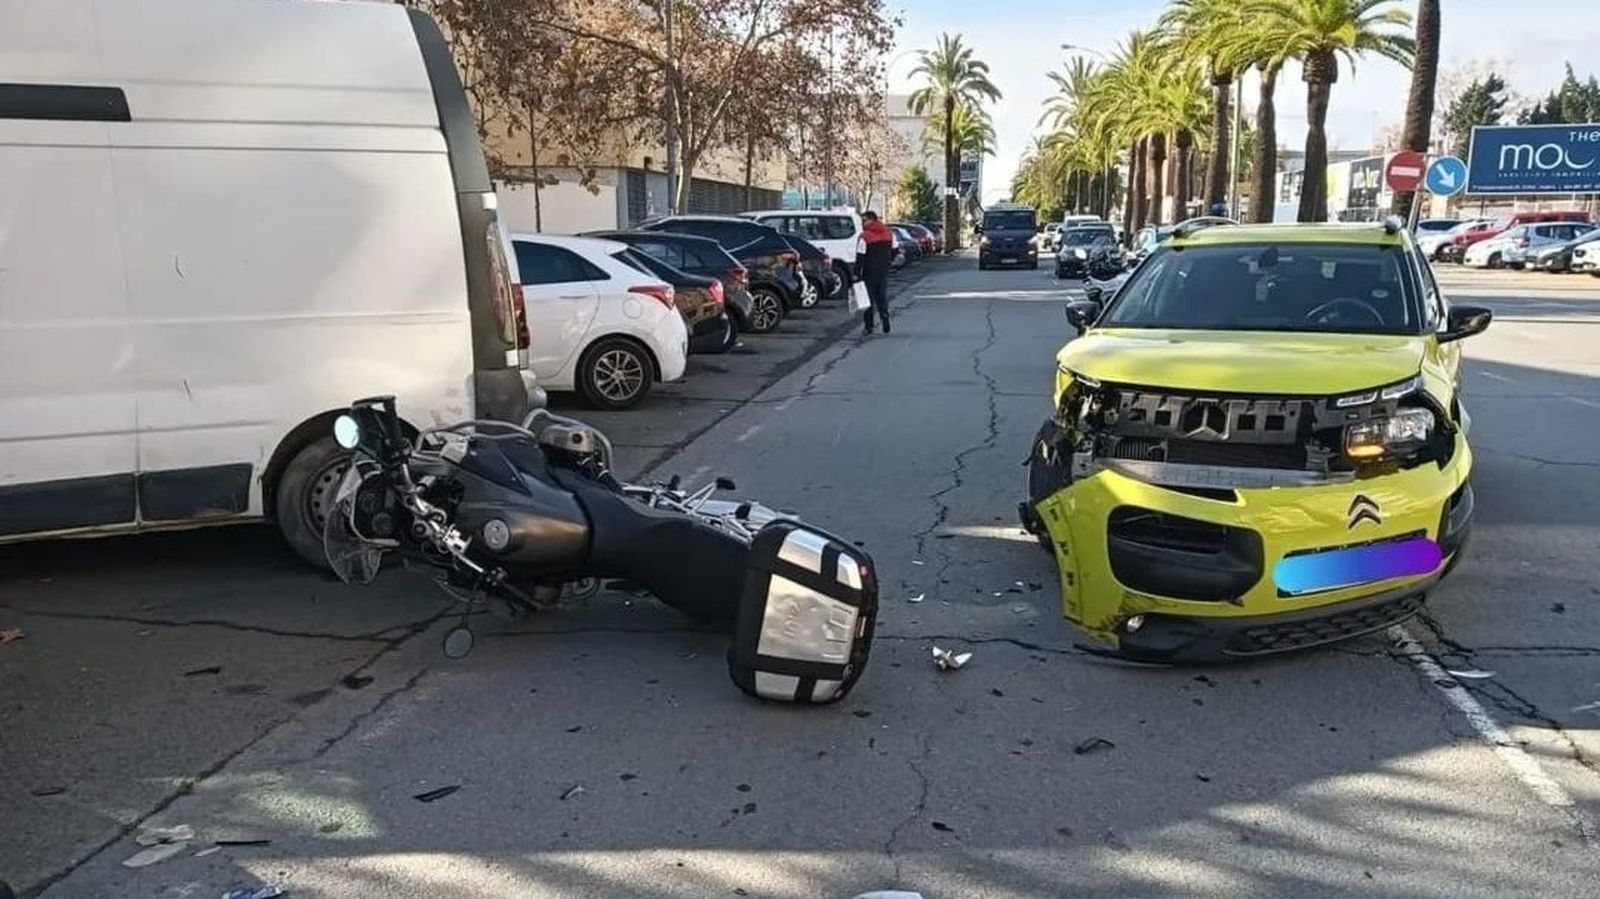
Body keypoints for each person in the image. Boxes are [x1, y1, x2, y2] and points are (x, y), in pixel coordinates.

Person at [858, 211, 893, 334]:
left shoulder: (864, 237)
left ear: (871, 220)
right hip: (883, 271)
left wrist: (856, 272)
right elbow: (892, 251)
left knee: (868, 300)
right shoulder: (888, 234)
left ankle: (869, 326)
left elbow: (860, 256)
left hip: (869, 271)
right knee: (881, 297)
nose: (862, 223)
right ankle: (885, 319)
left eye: (864, 220)